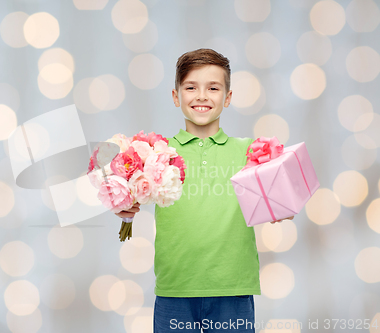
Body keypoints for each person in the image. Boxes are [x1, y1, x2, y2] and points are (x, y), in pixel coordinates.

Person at [116, 48, 295, 332]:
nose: (201, 96)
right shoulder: (156, 153)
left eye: (213, 87)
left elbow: (281, 201)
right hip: (175, 289)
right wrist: (125, 211)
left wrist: (281, 206)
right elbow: (130, 198)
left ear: (228, 97)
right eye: (191, 87)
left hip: (232, 289)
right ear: (176, 96)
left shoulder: (250, 152)